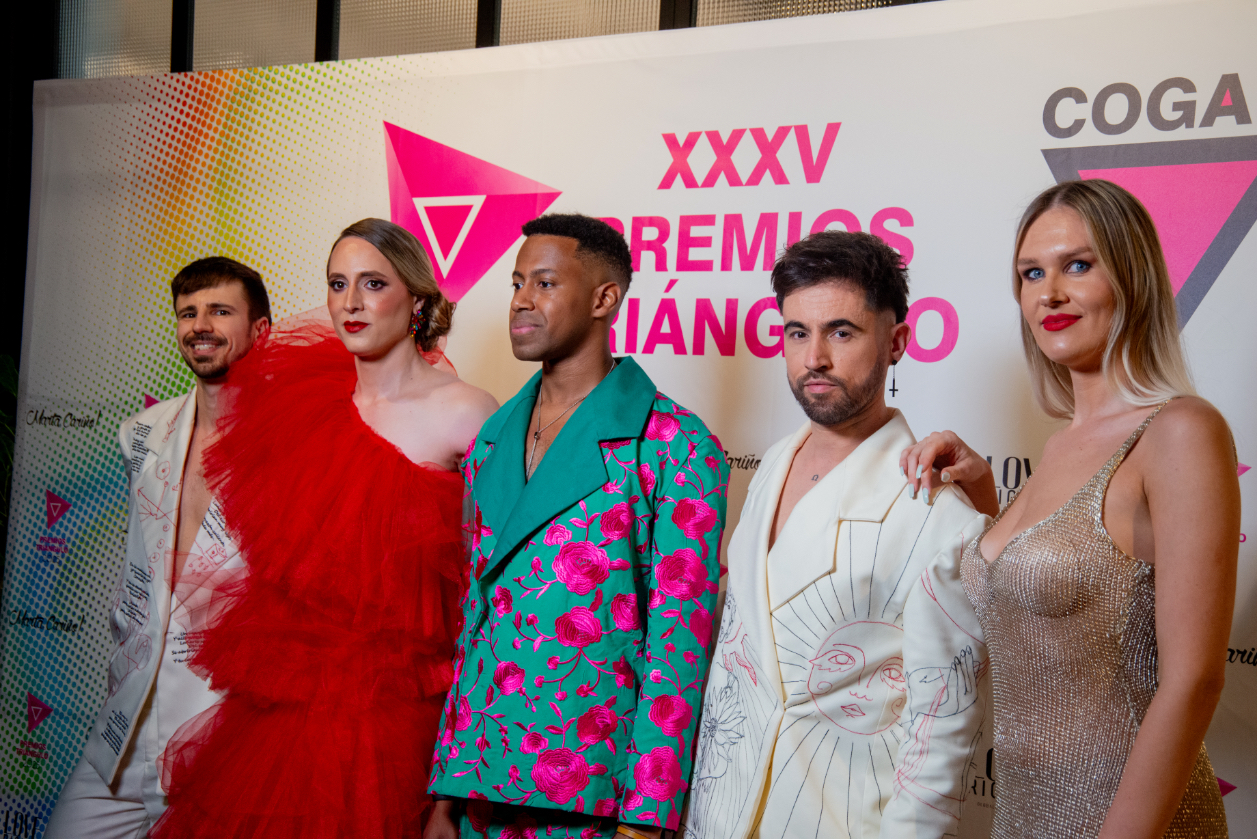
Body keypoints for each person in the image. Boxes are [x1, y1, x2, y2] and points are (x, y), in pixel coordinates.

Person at [901, 179, 1237, 838]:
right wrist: (985, 500)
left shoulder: (1179, 430)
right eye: (1031, 273)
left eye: (1077, 265)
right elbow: (1043, 616)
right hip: (1022, 818)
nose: (1048, 293)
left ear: (1131, 277)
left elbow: (1194, 680)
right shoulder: (1057, 447)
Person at [149, 218, 498, 839]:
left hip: (397, 715)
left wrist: (454, 781)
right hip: (287, 713)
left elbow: (487, 593)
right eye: (339, 284)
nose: (351, 302)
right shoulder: (301, 403)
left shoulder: (467, 411)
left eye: (373, 283)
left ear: (417, 299)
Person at [424, 214, 729, 839]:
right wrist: (445, 794)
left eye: (544, 283)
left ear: (603, 299)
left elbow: (679, 644)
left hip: (591, 797)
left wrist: (647, 819)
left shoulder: (675, 443)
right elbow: (474, 619)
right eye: (516, 284)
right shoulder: (492, 439)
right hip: (479, 785)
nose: (521, 301)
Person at [682, 231, 992, 839]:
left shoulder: (936, 511)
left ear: (896, 342)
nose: (814, 358)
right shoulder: (771, 464)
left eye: (841, 333)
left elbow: (940, 735)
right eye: (797, 333)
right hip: (717, 814)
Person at [44, 257, 270, 839]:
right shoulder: (141, 435)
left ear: (260, 330)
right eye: (188, 313)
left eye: (219, 311)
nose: (201, 326)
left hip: (224, 723)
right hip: (129, 722)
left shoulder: (292, 445)